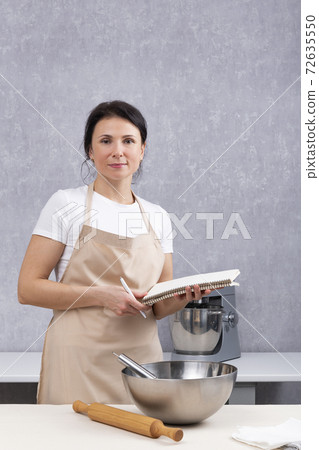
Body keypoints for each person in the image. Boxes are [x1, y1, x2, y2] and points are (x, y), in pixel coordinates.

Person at [18, 100, 211, 404]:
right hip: (78, 363)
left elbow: (157, 307)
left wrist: (182, 297)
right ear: (90, 151)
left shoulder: (157, 216)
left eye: (128, 141)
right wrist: (101, 295)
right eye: (106, 141)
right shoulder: (65, 204)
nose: (118, 151)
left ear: (142, 149)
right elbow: (28, 289)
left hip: (141, 365)